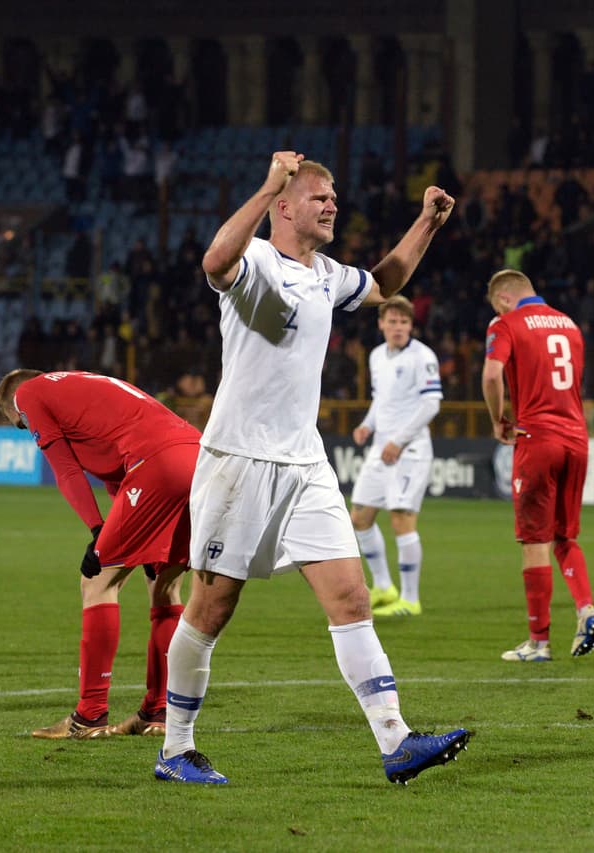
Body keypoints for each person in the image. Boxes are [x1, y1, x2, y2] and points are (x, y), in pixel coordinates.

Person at [154, 151, 470, 786]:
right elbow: (215, 262)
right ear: (283, 205)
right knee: (211, 610)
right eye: (319, 196)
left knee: (353, 597)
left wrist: (427, 223)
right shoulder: (255, 264)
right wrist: (267, 177)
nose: (332, 204)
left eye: (334, 196)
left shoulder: (327, 274)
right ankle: (175, 749)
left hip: (305, 462)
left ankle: (396, 740)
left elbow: (385, 282)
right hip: (239, 462)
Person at [0, 369, 198, 739]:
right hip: (196, 458)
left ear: (14, 402)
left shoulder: (29, 393)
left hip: (155, 463)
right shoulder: (82, 387)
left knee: (97, 582)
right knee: (164, 588)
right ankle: (157, 713)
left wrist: (96, 529)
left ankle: (89, 717)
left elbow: (66, 469)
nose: (28, 431)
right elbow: (114, 474)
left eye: (21, 425)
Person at [481, 269, 594, 664]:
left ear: (502, 298)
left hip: (537, 439)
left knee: (534, 542)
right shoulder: (569, 325)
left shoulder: (505, 323)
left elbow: (492, 373)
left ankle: (539, 642)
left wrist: (499, 418)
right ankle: (586, 607)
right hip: (577, 439)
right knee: (565, 537)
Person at [350, 295, 443, 618]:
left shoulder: (423, 357)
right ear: (381, 325)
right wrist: (366, 424)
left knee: (401, 520)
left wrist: (399, 441)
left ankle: (410, 598)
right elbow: (381, 400)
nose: (398, 327)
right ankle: (384, 587)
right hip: (381, 450)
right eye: (392, 321)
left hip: (410, 451)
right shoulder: (377, 356)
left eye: (404, 322)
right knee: (359, 518)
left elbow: (431, 404)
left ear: (411, 325)